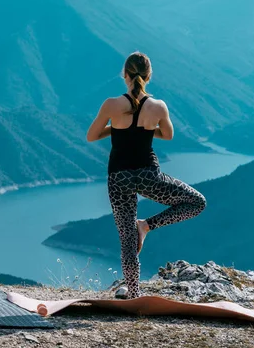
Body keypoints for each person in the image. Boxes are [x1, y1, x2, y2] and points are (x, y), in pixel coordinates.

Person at [86, 52, 206, 299]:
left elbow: (92, 135)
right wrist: (146, 131)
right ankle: (148, 225)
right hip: (149, 175)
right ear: (149, 76)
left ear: (125, 75)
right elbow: (168, 134)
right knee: (197, 203)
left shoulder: (112, 104)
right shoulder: (159, 106)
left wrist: (117, 129)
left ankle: (134, 293)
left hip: (119, 178)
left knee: (127, 241)